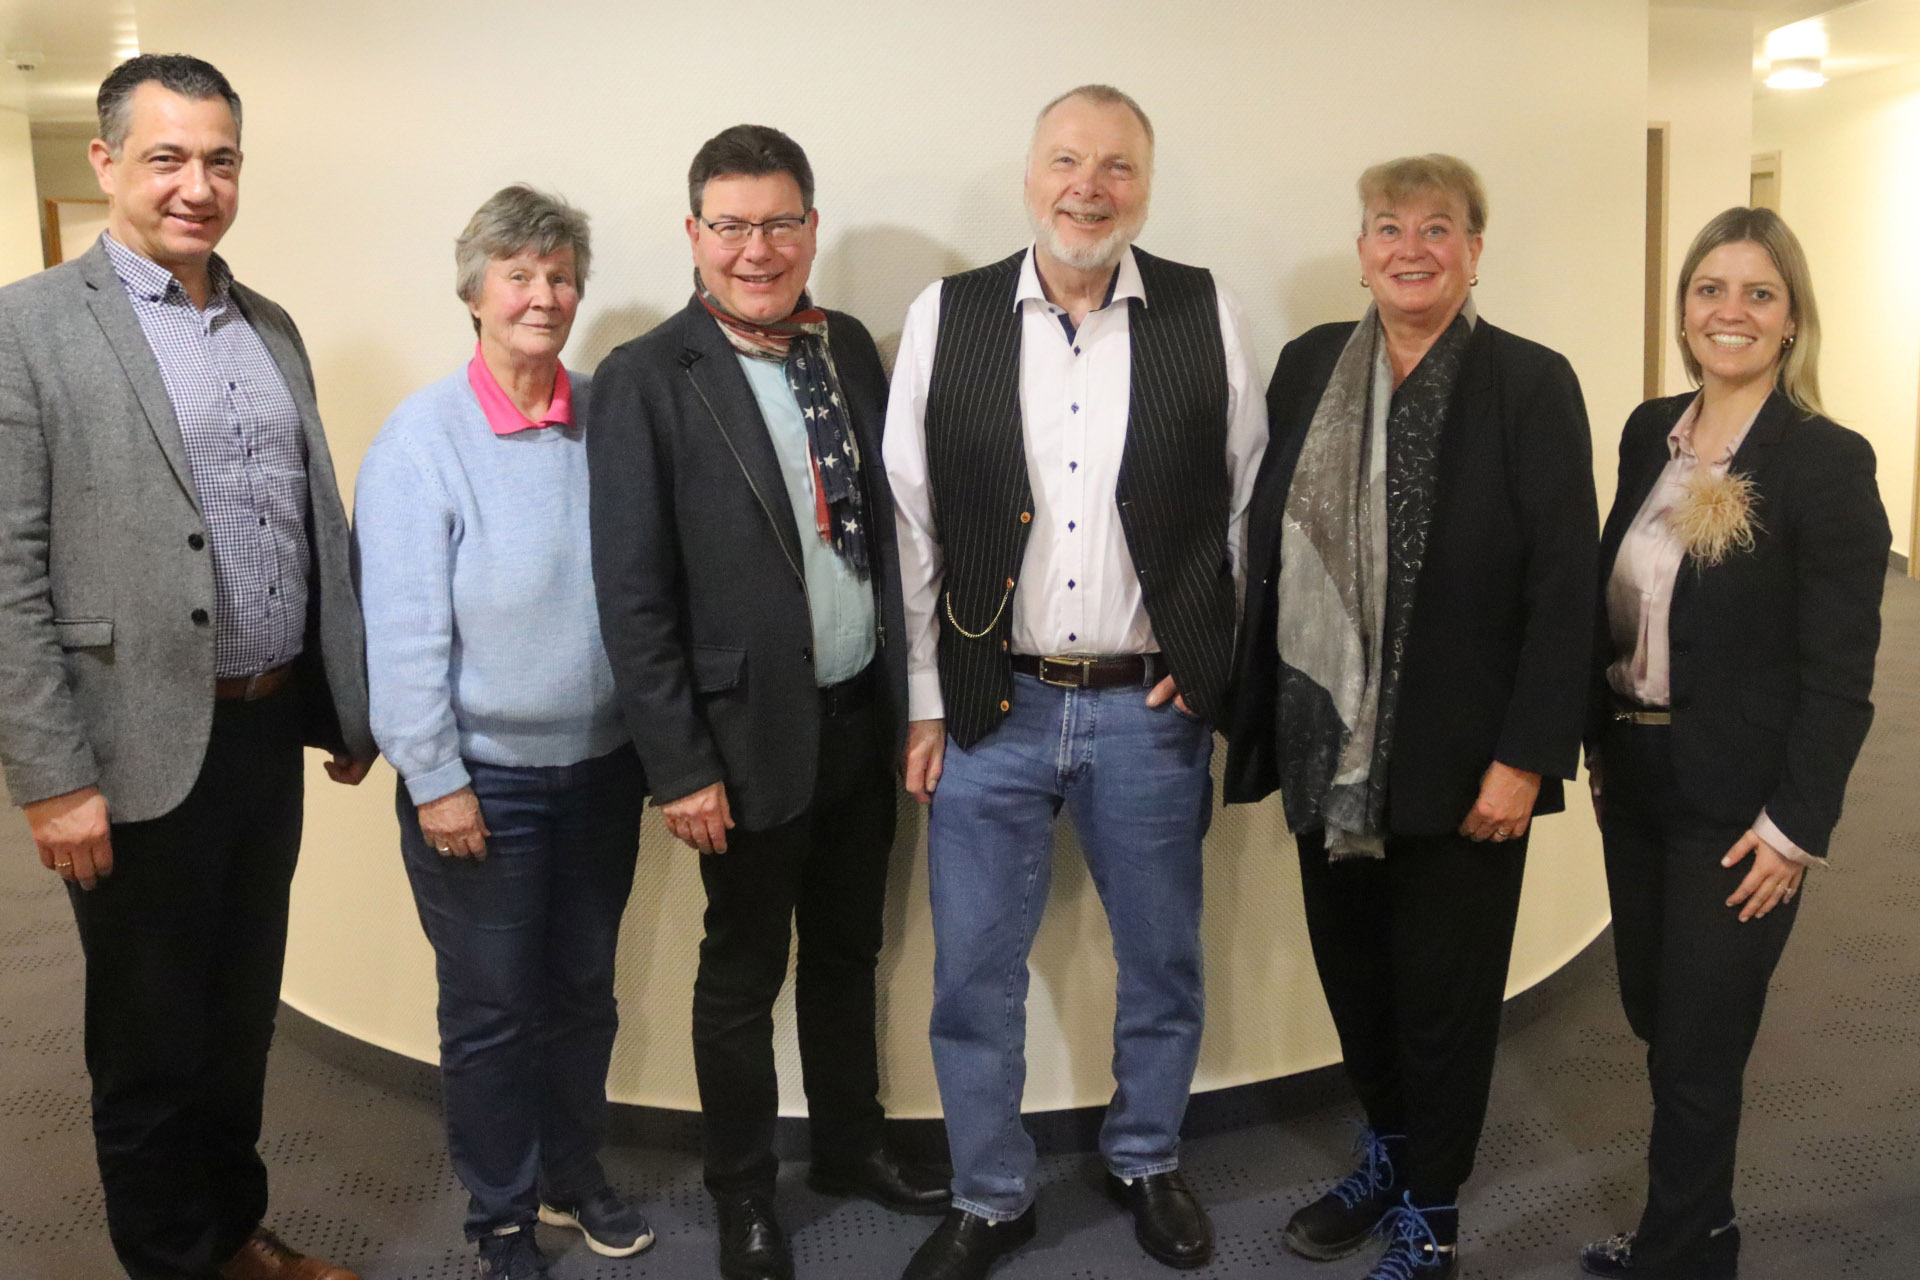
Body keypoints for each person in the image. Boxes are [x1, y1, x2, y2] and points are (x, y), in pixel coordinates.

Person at [0, 55, 374, 1280]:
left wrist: (347, 698)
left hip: (261, 733)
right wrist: (53, 777)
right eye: (167, 157)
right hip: (128, 744)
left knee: (238, 1018)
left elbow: (309, 521)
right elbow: (7, 572)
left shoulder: (270, 325)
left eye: (220, 159)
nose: (196, 185)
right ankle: (172, 1258)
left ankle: (232, 1233)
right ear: (106, 160)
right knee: (150, 1042)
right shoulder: (28, 328)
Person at [885, 85, 1267, 1280]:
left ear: (1145, 186)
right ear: (1030, 174)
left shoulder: (1206, 311)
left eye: (1116, 166)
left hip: (1147, 708)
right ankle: (990, 1191)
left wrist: (1208, 662)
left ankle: (1146, 1154)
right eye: (1066, 160)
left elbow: (1246, 509)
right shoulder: (947, 314)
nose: (1088, 187)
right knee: (973, 973)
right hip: (989, 701)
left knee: (1162, 958)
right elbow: (912, 521)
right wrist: (926, 699)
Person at [1222, 154, 1598, 1280]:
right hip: (1325, 747)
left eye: (1439, 228)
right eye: (1390, 226)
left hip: (1467, 761)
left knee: (1445, 997)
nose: (1412, 248)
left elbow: (1565, 587)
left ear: (1475, 252)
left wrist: (1526, 758)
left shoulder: (1529, 382)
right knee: (1357, 978)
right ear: (1362, 252)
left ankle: (1433, 1213)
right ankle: (1389, 1150)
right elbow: (1261, 546)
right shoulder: (1307, 368)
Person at [588, 124, 947, 1280]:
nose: (758, 249)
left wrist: (914, 702)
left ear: (811, 228)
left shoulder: (843, 352)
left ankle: (850, 1147)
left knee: (848, 951)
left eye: (780, 222)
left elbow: (888, 539)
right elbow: (633, 596)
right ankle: (743, 1191)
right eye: (733, 226)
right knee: (741, 979)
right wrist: (679, 763)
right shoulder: (649, 377)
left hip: (858, 722)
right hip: (738, 743)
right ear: (695, 235)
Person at [1578, 208, 1889, 1280]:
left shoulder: (1825, 460)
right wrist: (1598, 744)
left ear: (1792, 319)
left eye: (1760, 293)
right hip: (1637, 777)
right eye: (1710, 289)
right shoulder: (1648, 432)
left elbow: (1840, 672)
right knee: (1654, 1012)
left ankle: (1683, 1251)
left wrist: (1796, 827)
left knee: (1702, 1047)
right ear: (1683, 311)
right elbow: (1611, 596)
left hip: (1741, 804)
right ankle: (1697, 1224)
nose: (1731, 312)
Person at [354, 185, 653, 1280]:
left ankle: (572, 1174)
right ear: (474, 290)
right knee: (490, 1013)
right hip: (482, 781)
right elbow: (400, 631)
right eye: (519, 273)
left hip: (604, 771)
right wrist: (435, 777)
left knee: (582, 996)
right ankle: (500, 1215)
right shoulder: (421, 438)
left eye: (561, 275)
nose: (544, 295)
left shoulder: (607, 419)